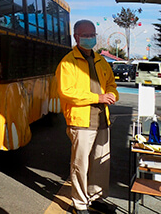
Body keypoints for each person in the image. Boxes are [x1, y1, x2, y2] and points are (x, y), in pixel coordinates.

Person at [55, 19, 119, 214]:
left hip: (101, 120)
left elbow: (111, 84)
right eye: (86, 35)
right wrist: (97, 97)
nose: (90, 38)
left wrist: (112, 95)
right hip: (81, 122)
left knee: (101, 163)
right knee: (80, 165)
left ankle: (95, 197)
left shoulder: (101, 61)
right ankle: (80, 204)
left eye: (93, 35)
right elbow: (66, 91)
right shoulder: (67, 62)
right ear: (76, 37)